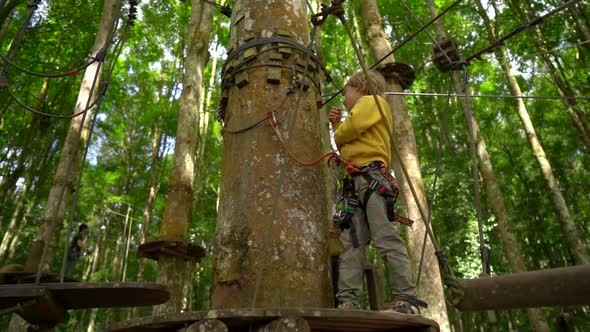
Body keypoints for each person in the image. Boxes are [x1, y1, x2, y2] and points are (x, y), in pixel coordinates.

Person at [329, 70, 427, 314]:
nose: (343, 99)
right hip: (356, 183)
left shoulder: (372, 101)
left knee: (385, 237)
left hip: (371, 179)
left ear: (359, 87)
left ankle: (405, 297)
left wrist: (339, 128)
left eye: (345, 93)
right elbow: (344, 140)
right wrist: (336, 125)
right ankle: (347, 300)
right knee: (352, 244)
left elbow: (348, 132)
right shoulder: (364, 108)